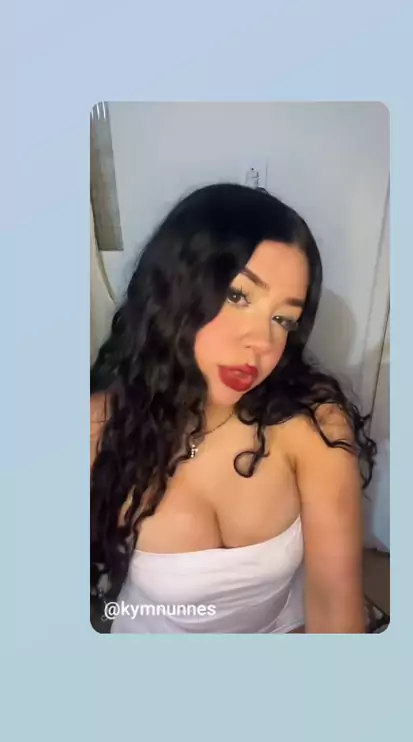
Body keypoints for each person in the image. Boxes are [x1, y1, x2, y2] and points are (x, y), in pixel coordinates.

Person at [90, 182, 375, 633]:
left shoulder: (313, 425)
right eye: (238, 296)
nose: (262, 342)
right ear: (176, 288)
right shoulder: (99, 426)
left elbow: (334, 602)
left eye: (283, 319)